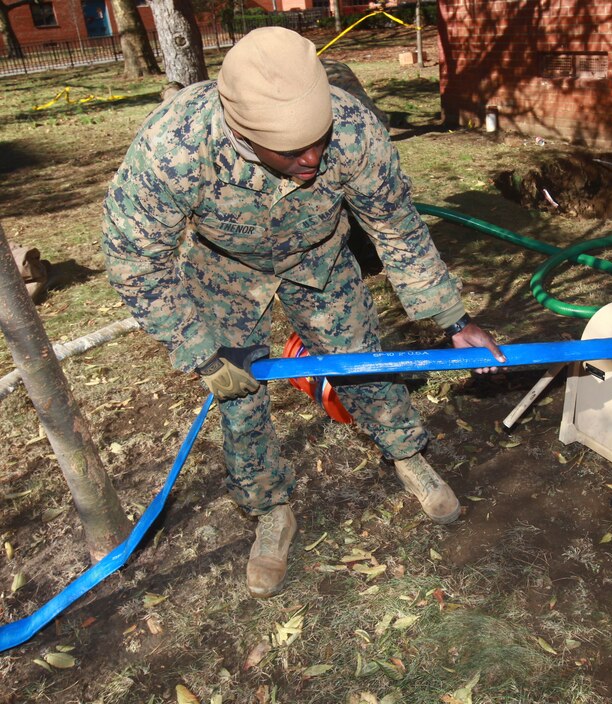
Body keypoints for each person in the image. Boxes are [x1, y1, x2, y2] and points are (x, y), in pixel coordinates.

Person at [101, 27, 506, 598]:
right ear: (244, 132)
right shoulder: (176, 147)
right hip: (224, 273)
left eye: (318, 141)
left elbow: (397, 228)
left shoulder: (354, 131)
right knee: (240, 399)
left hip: (320, 260)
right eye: (292, 151)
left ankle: (408, 456)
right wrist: (197, 348)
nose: (312, 159)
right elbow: (132, 257)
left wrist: (453, 321)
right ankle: (270, 510)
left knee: (364, 363)